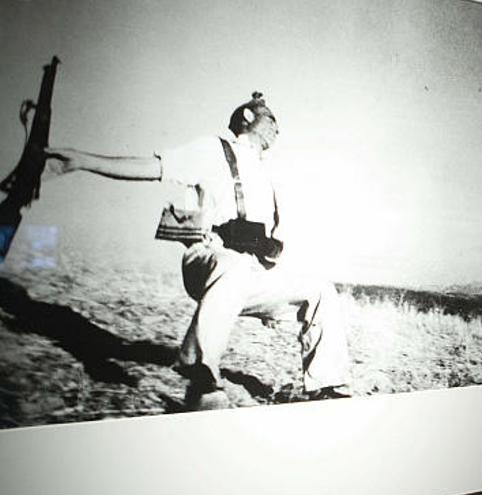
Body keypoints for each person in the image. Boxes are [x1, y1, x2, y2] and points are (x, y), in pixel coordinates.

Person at [46, 92, 351, 410]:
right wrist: (80, 160)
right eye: (272, 119)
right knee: (232, 268)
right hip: (208, 258)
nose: (278, 128)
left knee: (320, 291)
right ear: (248, 118)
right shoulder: (213, 150)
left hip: (249, 273)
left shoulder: (266, 175)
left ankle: (326, 389)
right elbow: (152, 167)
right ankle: (200, 373)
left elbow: (272, 242)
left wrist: (272, 268)